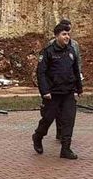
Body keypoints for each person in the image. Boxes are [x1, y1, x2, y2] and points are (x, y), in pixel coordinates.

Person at [32, 22, 83, 159]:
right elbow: (41, 73)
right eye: (64, 34)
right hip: (53, 93)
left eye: (68, 34)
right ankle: (38, 136)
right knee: (48, 119)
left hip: (68, 92)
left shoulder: (71, 51)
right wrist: (45, 91)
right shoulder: (48, 52)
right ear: (56, 36)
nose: (67, 37)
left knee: (68, 120)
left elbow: (76, 71)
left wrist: (79, 88)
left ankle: (65, 149)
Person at [48, 19, 82, 140]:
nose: (68, 33)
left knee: (68, 110)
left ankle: (66, 137)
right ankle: (59, 131)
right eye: (65, 31)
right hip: (56, 83)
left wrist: (78, 79)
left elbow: (77, 62)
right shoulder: (51, 44)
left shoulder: (74, 45)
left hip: (70, 81)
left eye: (69, 30)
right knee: (57, 109)